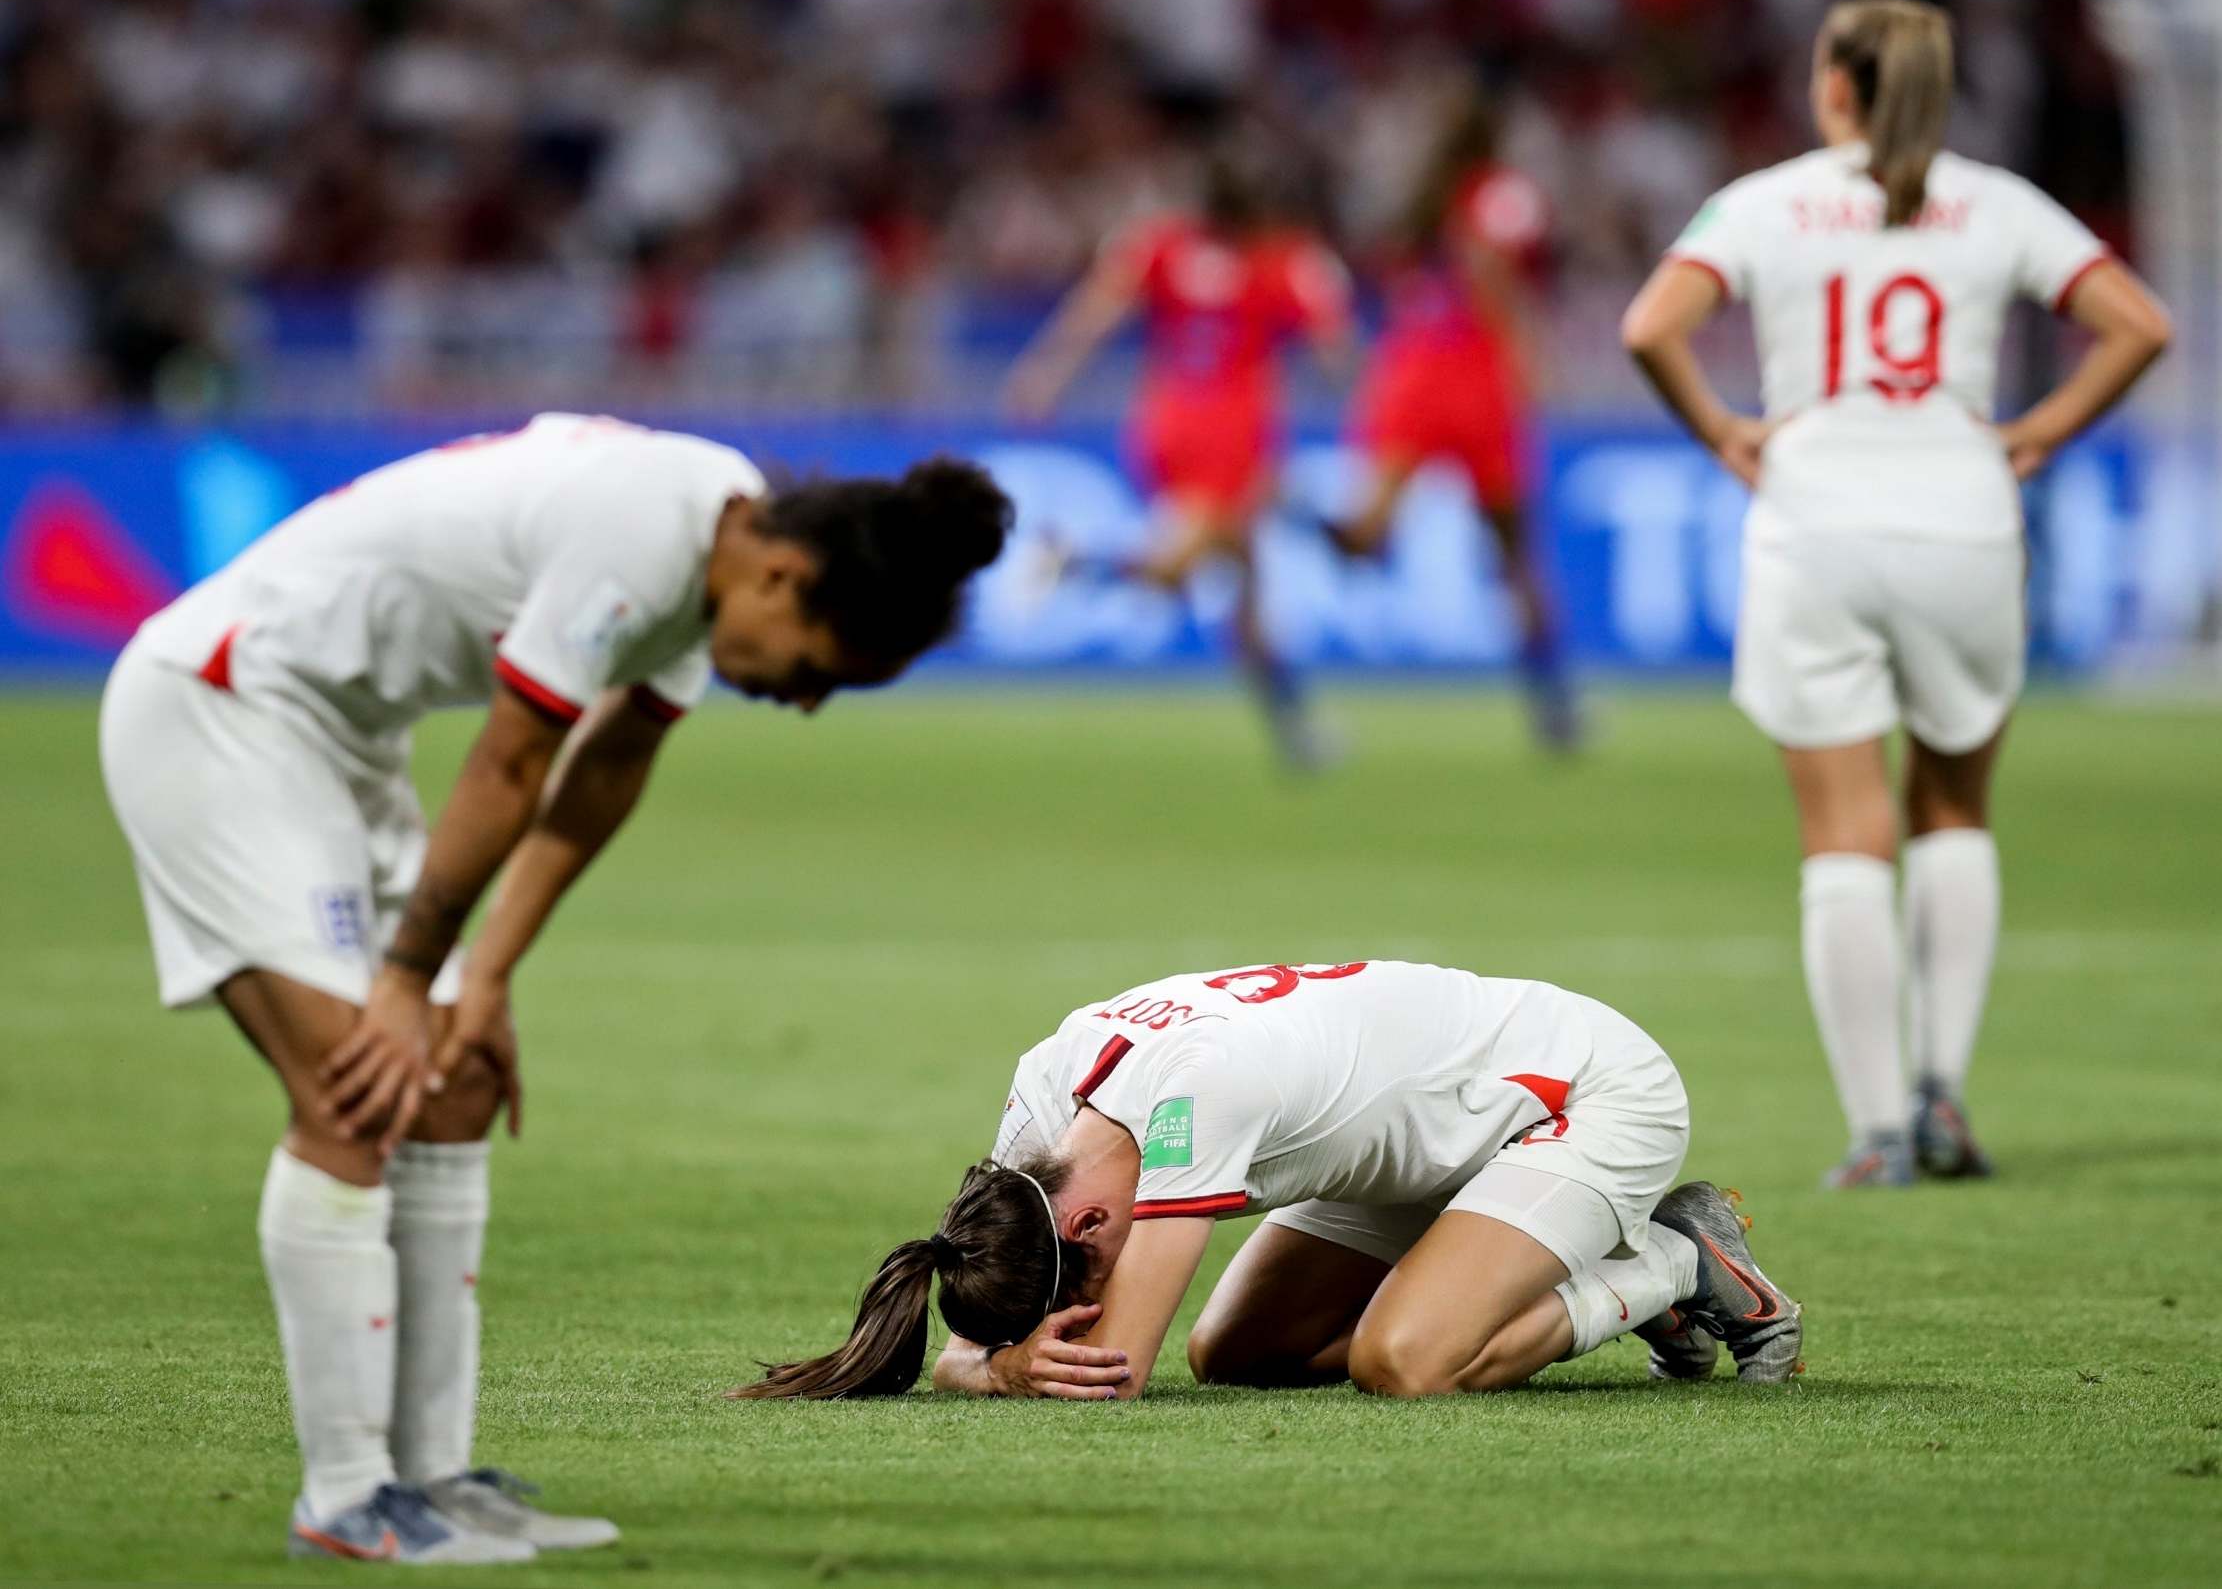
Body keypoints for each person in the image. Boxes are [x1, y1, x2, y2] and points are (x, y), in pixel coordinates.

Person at [99, 413, 1011, 1562]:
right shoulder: (642, 529)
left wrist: (483, 978)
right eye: (821, 667)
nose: (807, 700)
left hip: (339, 744)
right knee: (354, 1091)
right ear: (785, 574)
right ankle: (343, 1499)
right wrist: (405, 977)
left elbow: (607, 767)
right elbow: (516, 758)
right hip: (223, 709)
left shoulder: (711, 525)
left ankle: (431, 1477)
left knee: (456, 1080)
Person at [1620, 0, 2171, 1187]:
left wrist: (1722, 428)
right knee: (1952, 810)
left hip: (1815, 517)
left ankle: (1874, 1130)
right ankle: (1943, 1097)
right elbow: (2136, 322)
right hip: (1963, 520)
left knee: (1843, 831)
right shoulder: (1995, 201)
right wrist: (2035, 432)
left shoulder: (1764, 201)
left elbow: (1648, 323)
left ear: (1830, 86)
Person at [732, 959, 1801, 1403]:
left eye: (1081, 1275)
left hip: (1574, 1093)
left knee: (1403, 1360)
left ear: (1093, 1218)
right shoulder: (1037, 1122)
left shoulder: (1197, 1097)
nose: (1087, 1298)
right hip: (1416, 1132)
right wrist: (984, 1357)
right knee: (1237, 1351)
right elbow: (1003, 1320)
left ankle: (1671, 1257)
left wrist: (998, 1368)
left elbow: (1115, 1370)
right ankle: (1514, 1260)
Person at [1003, 152, 1355, 769]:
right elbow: (1336, 349)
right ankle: (1078, 560)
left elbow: (1094, 312)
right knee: (1176, 573)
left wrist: (1043, 374)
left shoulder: (1161, 246)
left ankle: (1294, 730)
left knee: (1247, 585)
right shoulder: (1282, 260)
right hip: (1233, 436)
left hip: (1165, 424)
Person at [1335, 85, 1579, 750]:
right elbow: (1492, 272)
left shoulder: (1417, 201)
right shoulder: (1501, 195)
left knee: (1363, 533)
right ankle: (1554, 706)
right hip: (1474, 378)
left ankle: (1289, 514)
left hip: (1408, 372)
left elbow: (1400, 286)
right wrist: (1527, 353)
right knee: (1515, 551)